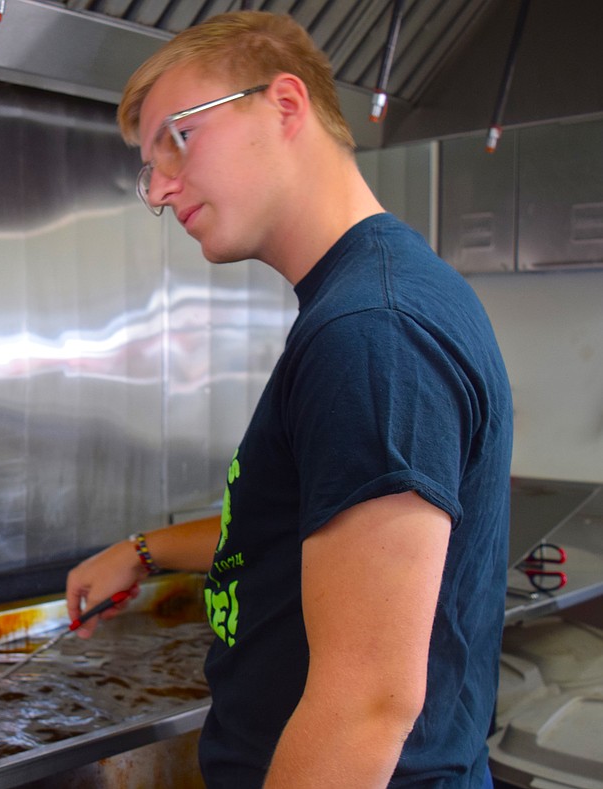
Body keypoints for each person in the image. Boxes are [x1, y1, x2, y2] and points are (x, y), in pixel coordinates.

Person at [65, 11, 512, 789]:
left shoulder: (373, 331)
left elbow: (366, 704)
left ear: (284, 105)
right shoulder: (365, 299)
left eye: (180, 136)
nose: (162, 188)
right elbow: (290, 530)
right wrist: (141, 551)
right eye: (149, 167)